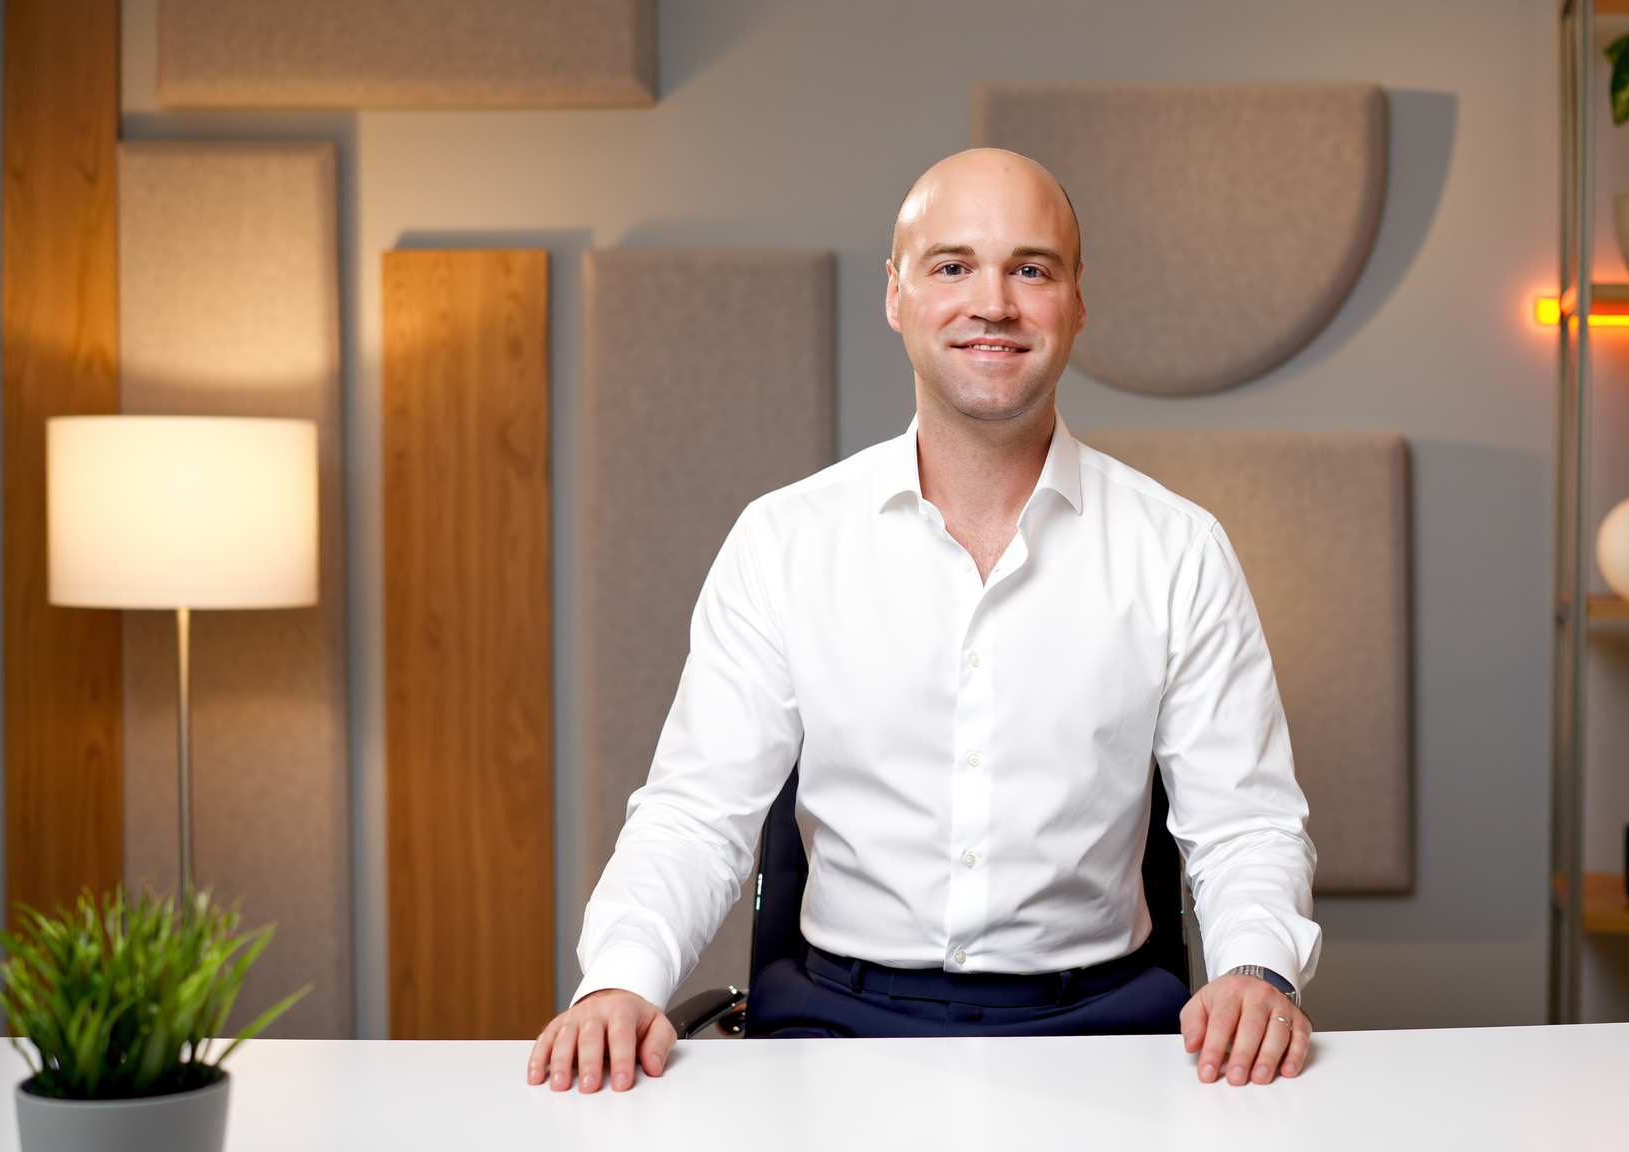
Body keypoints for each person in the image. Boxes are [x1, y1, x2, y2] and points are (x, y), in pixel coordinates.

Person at [529, 148, 1320, 1094]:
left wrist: (1256, 971)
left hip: (1106, 1034)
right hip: (834, 1032)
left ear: (1076, 302)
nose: (994, 303)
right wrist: (617, 982)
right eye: (952, 266)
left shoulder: (1180, 550)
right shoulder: (783, 540)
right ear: (897, 295)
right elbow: (697, 817)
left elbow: (1246, 826)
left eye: (1031, 269)